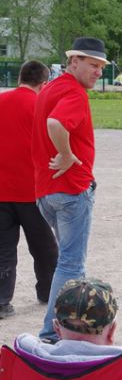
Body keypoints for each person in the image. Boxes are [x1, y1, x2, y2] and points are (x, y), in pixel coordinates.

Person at [32, 37, 107, 343]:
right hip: (70, 189)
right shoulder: (74, 93)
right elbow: (55, 124)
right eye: (92, 65)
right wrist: (65, 154)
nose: (98, 72)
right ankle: (52, 332)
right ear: (73, 61)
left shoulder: (50, 87)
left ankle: (66, 325)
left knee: (68, 260)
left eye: (101, 66)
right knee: (71, 264)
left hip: (46, 192)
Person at [0, 61, 58, 319]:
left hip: (1, 191)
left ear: (20, 77)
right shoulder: (42, 106)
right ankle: (47, 292)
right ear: (43, 84)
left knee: (3, 250)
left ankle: (2, 301)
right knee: (44, 248)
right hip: (32, 191)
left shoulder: (1, 101)